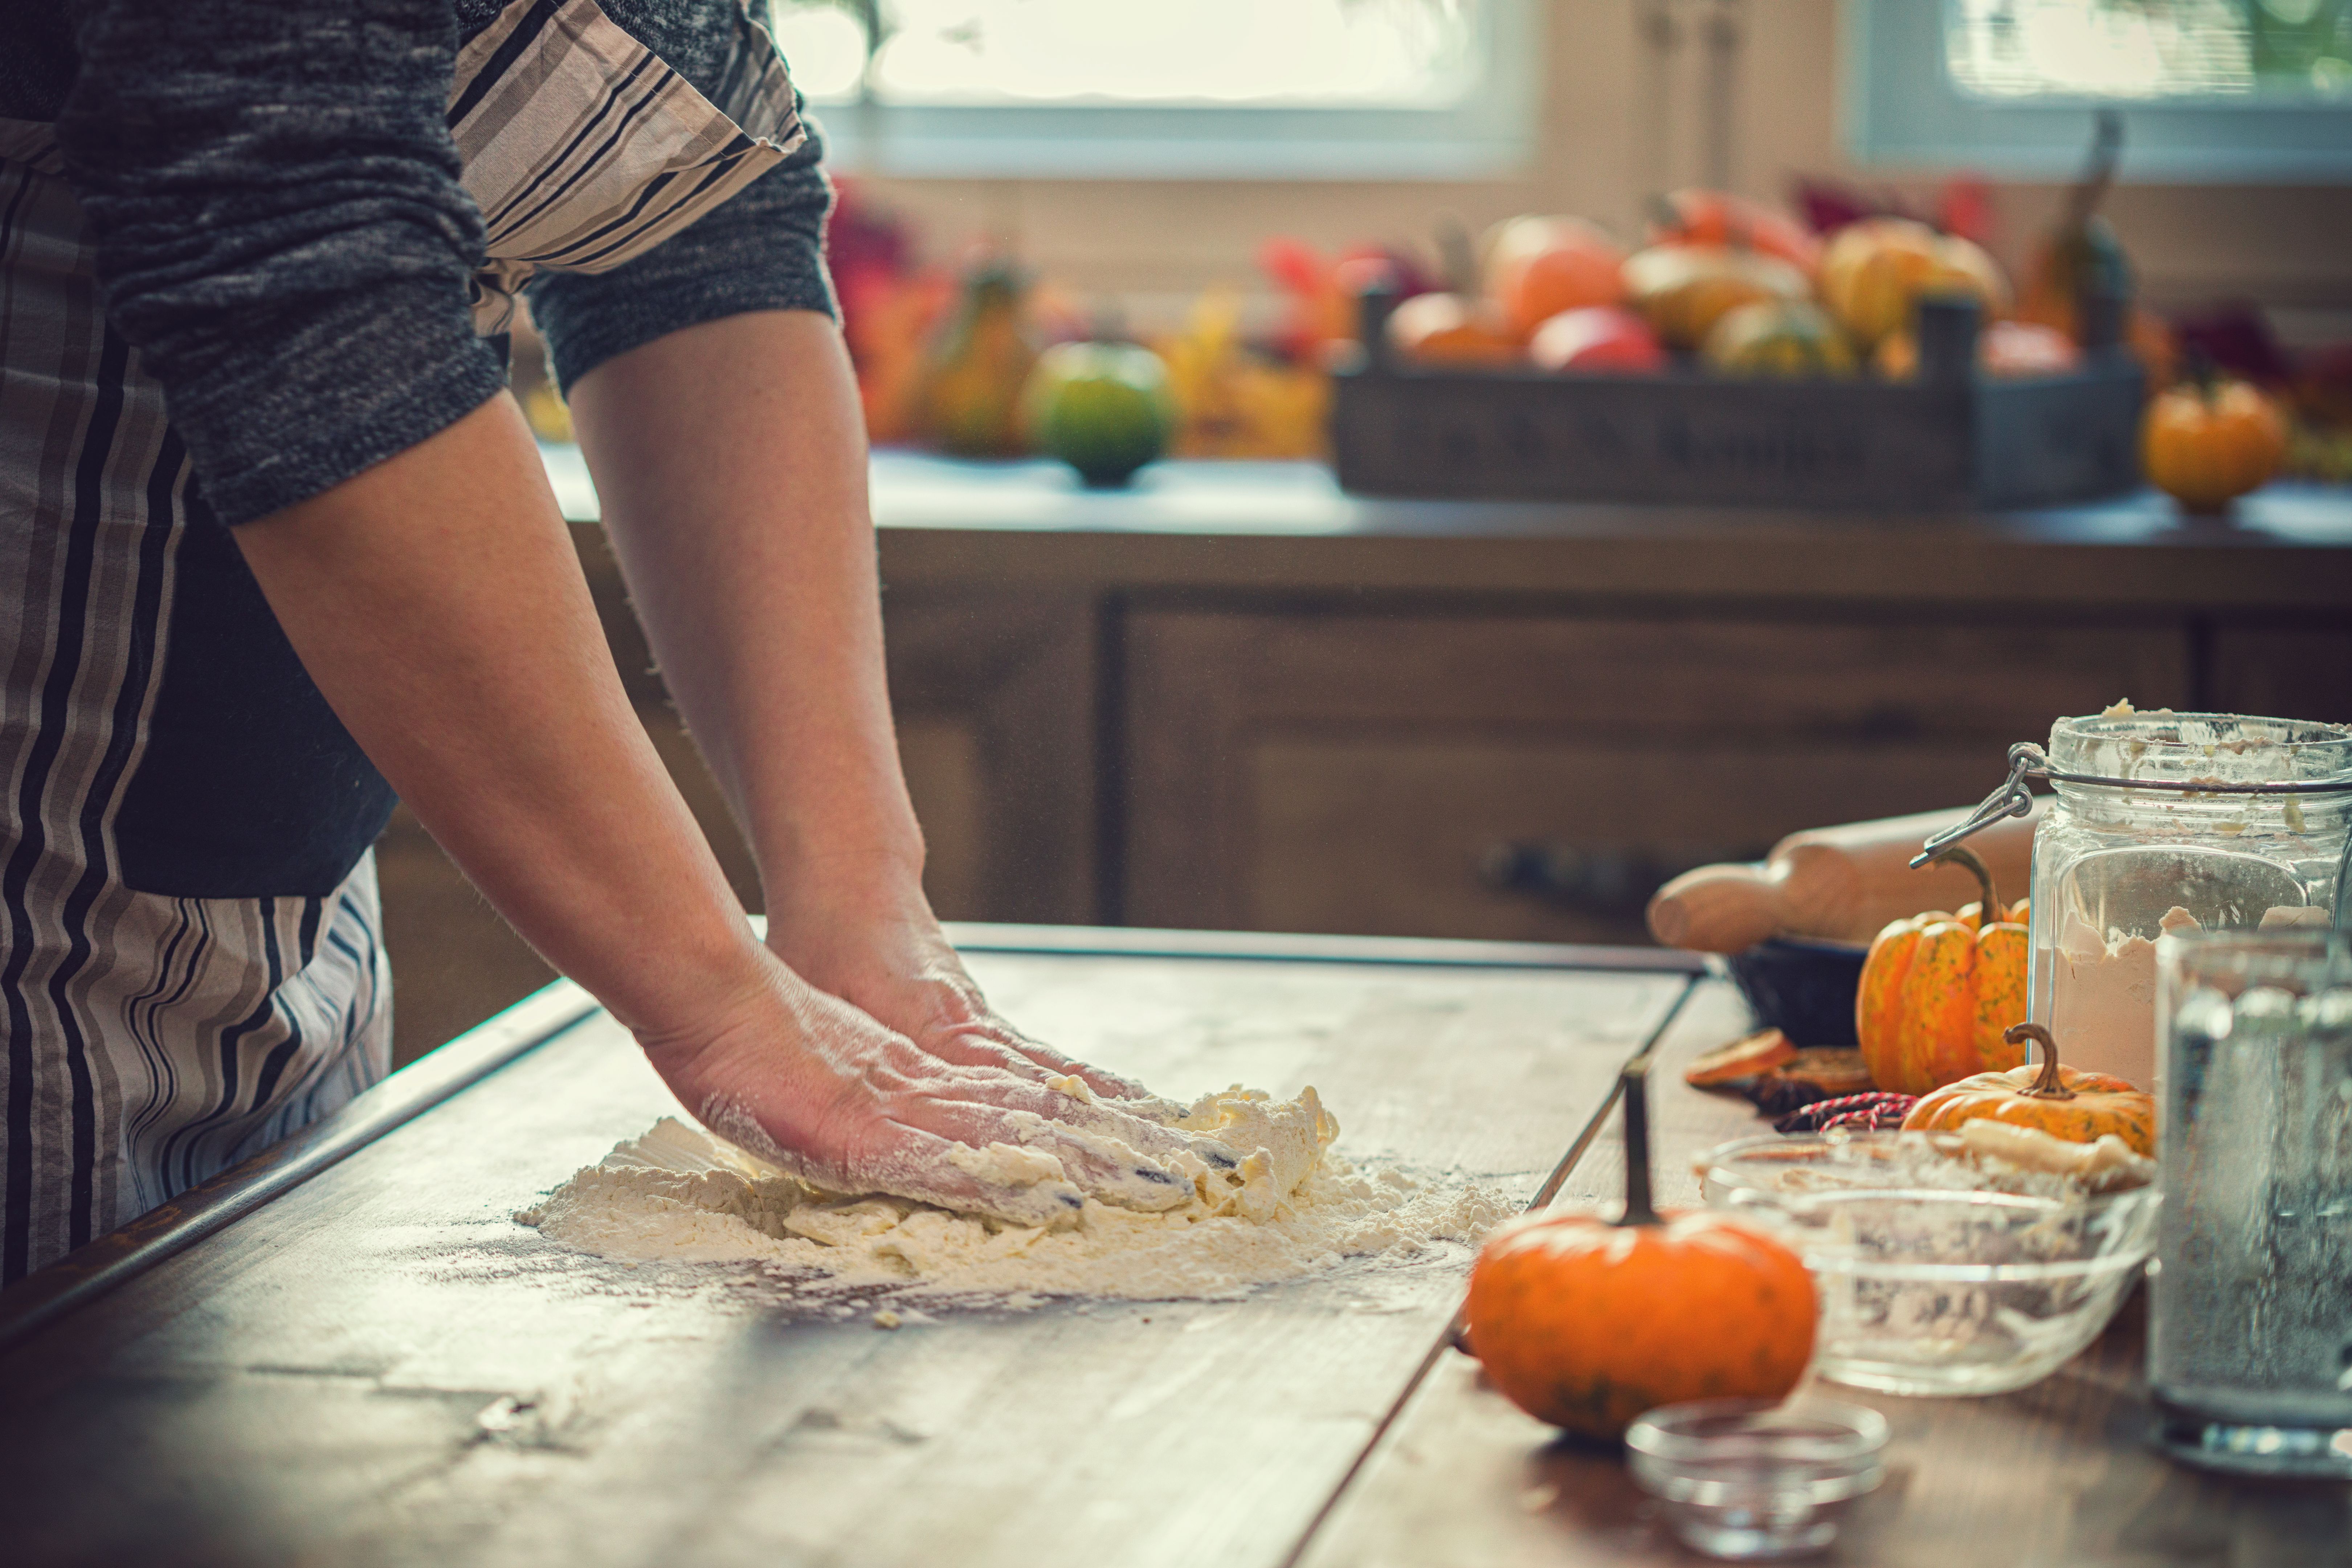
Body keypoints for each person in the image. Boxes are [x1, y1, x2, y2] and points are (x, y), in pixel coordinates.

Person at [0, 0, 1215, 1283]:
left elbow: (695, 230)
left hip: (262, 930)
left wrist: (858, 904)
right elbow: (302, 265)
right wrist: (725, 1009)